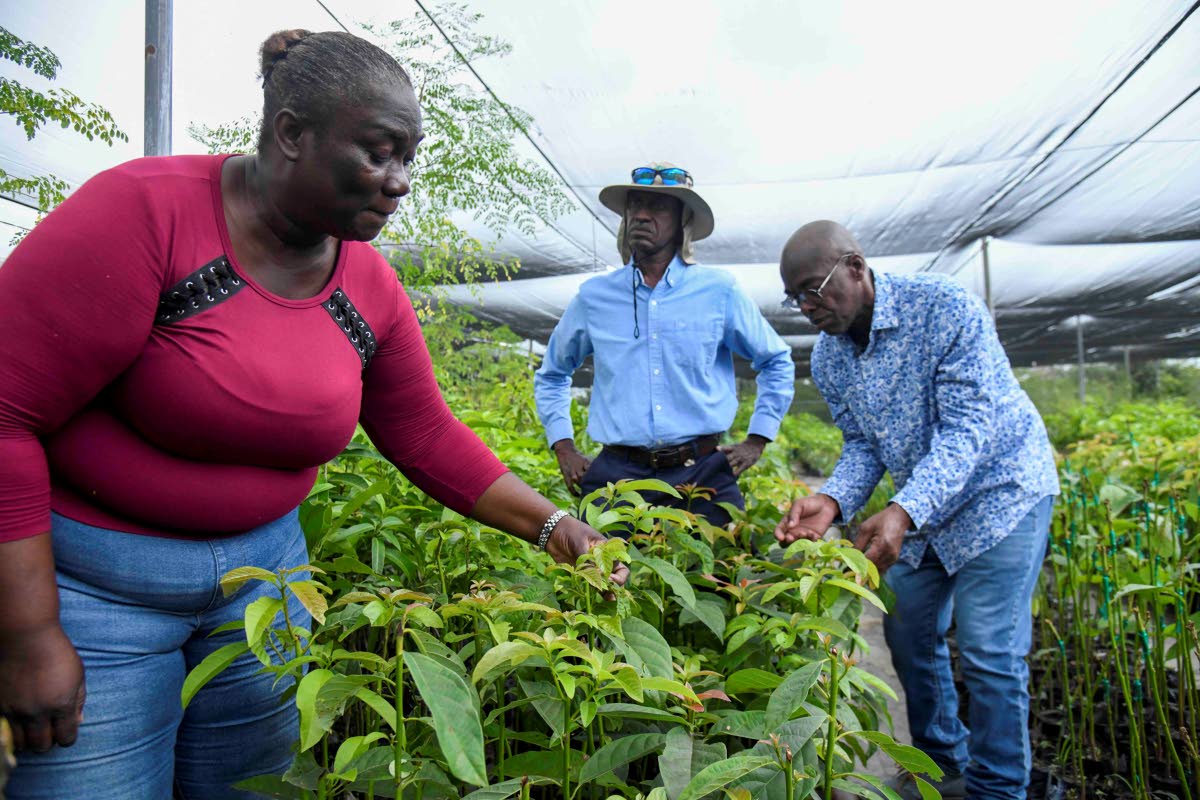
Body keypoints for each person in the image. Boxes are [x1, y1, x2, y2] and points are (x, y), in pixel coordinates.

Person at [0, 30, 626, 800]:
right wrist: (27, 634)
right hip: (97, 595)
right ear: (292, 133)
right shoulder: (145, 215)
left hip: (266, 595)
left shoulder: (366, 284)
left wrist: (555, 527)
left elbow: (423, 432)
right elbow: (5, 415)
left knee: (252, 787)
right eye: (378, 153)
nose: (398, 182)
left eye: (408, 159)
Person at [774, 221, 1058, 799]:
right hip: (926, 508)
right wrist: (831, 501)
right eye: (795, 297)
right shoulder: (830, 357)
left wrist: (904, 510)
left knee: (987, 651)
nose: (807, 307)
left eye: (814, 288)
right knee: (906, 628)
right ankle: (940, 770)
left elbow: (969, 428)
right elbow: (862, 444)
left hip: (1001, 492)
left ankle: (999, 789)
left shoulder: (945, 308)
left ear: (855, 267)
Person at [534, 164, 795, 526]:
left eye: (658, 207)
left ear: (682, 220)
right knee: (604, 577)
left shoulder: (719, 292)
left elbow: (776, 359)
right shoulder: (595, 298)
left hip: (701, 474)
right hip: (617, 478)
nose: (641, 215)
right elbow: (552, 374)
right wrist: (563, 446)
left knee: (713, 579)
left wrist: (758, 438)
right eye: (635, 205)